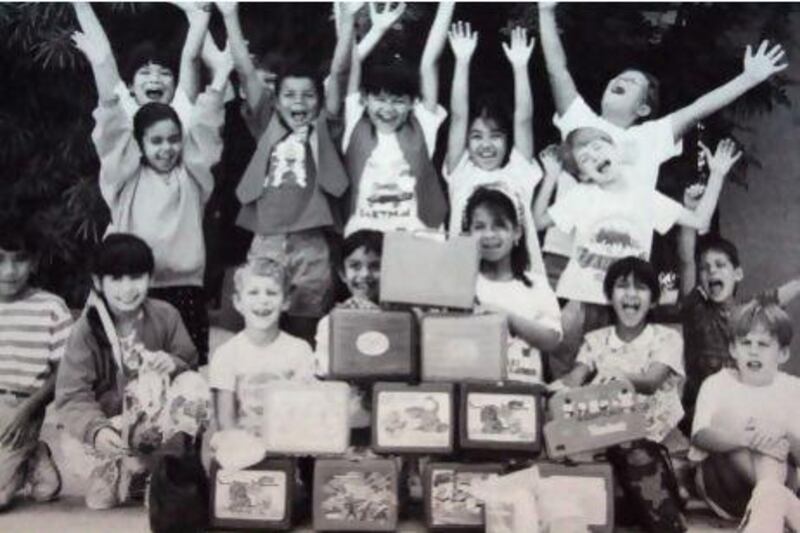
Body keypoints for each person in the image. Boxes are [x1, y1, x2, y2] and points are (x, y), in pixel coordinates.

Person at [76, 17, 231, 364]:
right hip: (129, 290)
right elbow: (110, 116)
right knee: (125, 374)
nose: (166, 149)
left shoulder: (193, 176)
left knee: (186, 376)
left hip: (185, 291)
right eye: (156, 142)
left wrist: (220, 76)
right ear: (141, 144)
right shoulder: (124, 176)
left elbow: (206, 127)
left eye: (174, 141)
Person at [534, 133, 740, 376]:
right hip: (582, 302)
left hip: (627, 306)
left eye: (598, 148)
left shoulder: (645, 197)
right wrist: (550, 177)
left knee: (617, 381)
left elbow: (699, 219)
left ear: (616, 150)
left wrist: (717, 174)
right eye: (585, 159)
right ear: (584, 175)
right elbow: (538, 221)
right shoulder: (582, 195)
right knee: (568, 379)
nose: (595, 157)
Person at [538, 1, 786, 191]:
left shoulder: (651, 137)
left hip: (627, 252)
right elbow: (557, 71)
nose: (620, 80)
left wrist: (748, 78)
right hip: (564, 253)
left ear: (643, 109)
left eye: (632, 82)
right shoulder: (579, 121)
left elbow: (699, 109)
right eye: (617, 79)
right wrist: (546, 11)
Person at [220, 1, 354, 344]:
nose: (299, 102)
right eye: (290, 95)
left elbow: (339, 74)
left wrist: (349, 19)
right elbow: (245, 71)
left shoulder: (326, 127)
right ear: (275, 100)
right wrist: (229, 14)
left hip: (312, 243)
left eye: (308, 95)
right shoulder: (266, 124)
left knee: (308, 331)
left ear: (319, 101)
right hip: (266, 238)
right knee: (261, 327)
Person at [55, 234, 207, 510]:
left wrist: (174, 362)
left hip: (154, 425)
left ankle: (159, 471)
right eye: (116, 279)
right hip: (110, 426)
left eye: (136, 277)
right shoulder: (86, 329)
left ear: (150, 278)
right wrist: (96, 431)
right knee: (100, 500)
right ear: (98, 282)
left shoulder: (166, 315)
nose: (127, 289)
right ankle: (116, 470)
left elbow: (190, 360)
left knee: (194, 386)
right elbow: (71, 395)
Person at [551, 257, 687, 532]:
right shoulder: (596, 340)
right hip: (606, 440)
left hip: (655, 441)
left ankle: (669, 524)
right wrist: (553, 389)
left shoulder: (667, 338)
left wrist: (618, 376)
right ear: (609, 296)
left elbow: (651, 381)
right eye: (622, 286)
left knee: (633, 451)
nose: (631, 294)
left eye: (641, 288)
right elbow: (574, 379)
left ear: (654, 300)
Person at [661, 233, 800, 433]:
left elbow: (778, 297)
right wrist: (689, 223)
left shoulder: (745, 310)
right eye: (705, 268)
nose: (711, 271)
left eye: (720, 265)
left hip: (742, 407)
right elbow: (686, 260)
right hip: (702, 414)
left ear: (737, 274)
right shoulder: (695, 308)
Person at [341, 2, 453, 235]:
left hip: (417, 239)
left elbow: (429, 62)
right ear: (365, 98)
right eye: (380, 99)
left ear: (413, 103)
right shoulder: (354, 122)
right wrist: (348, 18)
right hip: (363, 243)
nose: (388, 109)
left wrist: (447, 5)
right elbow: (349, 65)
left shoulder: (422, 124)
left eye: (398, 101)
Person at [444, 22, 545, 275]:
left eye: (496, 136)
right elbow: (458, 115)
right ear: (466, 143)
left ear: (507, 141)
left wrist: (521, 67)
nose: (486, 145)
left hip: (521, 282)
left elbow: (523, 118)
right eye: (476, 136)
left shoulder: (519, 172)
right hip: (464, 281)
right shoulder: (461, 170)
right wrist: (462, 61)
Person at [690, 301, 800, 529]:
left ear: (783, 353)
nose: (753, 351)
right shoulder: (717, 383)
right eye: (746, 342)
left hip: (781, 481)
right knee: (727, 419)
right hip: (726, 488)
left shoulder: (793, 388)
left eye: (763, 344)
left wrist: (784, 434)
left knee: (776, 431)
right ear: (733, 349)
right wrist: (746, 438)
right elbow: (700, 436)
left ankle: (765, 513)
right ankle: (773, 503)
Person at [0, 220, 72, 510]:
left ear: (34, 263)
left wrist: (28, 408)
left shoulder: (51, 307)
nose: (9, 271)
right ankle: (32, 458)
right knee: (43, 491)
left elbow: (64, 372)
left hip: (20, 411)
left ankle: (22, 456)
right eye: (0, 261)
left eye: (19, 260)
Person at [71, 1, 232, 126]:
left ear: (176, 86)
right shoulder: (122, 112)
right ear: (130, 87)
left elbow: (191, 58)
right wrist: (81, 4)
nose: (155, 78)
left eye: (165, 73)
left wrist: (202, 9)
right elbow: (104, 58)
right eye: (145, 72)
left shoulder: (181, 111)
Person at [209, 259, 317, 439]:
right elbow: (226, 421)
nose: (263, 300)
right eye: (253, 292)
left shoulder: (300, 350)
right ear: (237, 302)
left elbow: (304, 413)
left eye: (272, 293)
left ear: (286, 302)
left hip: (288, 444)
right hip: (241, 448)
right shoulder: (226, 354)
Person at [464, 187, 562, 384]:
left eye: (499, 226)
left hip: (524, 396)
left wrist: (507, 318)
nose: (489, 234)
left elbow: (552, 340)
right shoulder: (460, 284)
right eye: (479, 227)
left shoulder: (536, 285)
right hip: (472, 391)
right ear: (468, 233)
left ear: (517, 233)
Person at [314, 230, 384, 446]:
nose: (364, 274)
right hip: (345, 425)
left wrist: (380, 319)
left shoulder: (401, 321)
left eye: (375, 266)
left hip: (388, 423)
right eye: (355, 266)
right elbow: (325, 375)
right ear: (342, 273)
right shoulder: (330, 322)